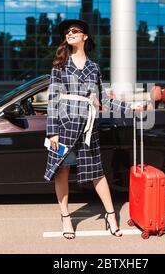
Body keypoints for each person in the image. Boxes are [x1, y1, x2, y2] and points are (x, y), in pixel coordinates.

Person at [44, 19, 143, 239]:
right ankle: (66, 218)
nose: (69, 34)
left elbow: (104, 101)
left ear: (84, 36)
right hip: (65, 126)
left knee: (97, 173)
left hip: (88, 129)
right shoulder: (59, 66)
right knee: (62, 171)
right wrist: (52, 131)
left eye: (74, 31)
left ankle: (111, 215)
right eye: (67, 32)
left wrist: (130, 107)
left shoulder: (94, 67)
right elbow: (52, 100)